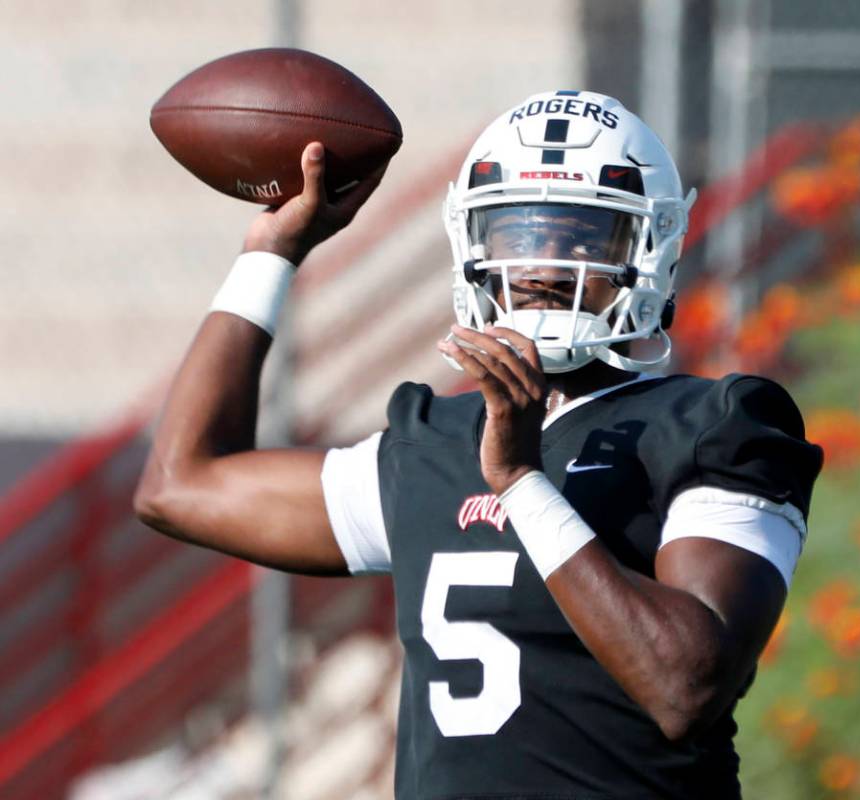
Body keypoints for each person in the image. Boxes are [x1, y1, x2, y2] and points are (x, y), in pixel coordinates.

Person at [136, 90, 823, 800]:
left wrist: (524, 484)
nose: (545, 267)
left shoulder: (718, 425)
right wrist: (271, 253)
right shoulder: (434, 441)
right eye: (518, 234)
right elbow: (180, 485)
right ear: (473, 245)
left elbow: (686, 687)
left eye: (584, 238)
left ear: (649, 249)